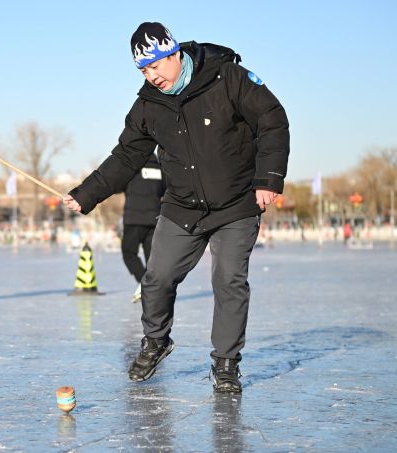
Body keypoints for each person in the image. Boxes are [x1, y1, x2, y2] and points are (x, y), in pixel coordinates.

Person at [64, 22, 289, 393]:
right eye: (143, 71)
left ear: (173, 54)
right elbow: (125, 156)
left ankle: (227, 363)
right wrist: (86, 194)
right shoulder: (148, 106)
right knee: (157, 278)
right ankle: (156, 341)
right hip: (182, 207)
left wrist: (268, 178)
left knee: (228, 280)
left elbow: (272, 119)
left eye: (155, 66)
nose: (151, 77)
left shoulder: (227, 78)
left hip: (236, 204)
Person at [121, 152, 165, 303]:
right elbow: (164, 190)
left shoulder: (133, 166)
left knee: (128, 253)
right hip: (154, 219)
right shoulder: (160, 168)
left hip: (133, 219)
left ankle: (145, 284)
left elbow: (118, 184)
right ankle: (153, 290)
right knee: (151, 259)